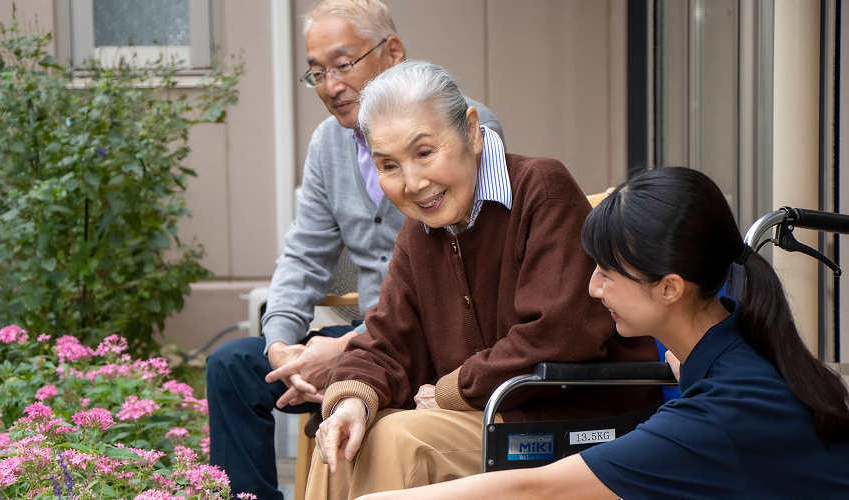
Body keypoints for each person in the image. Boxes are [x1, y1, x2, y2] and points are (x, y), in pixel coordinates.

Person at [356, 167, 849, 500]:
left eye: (607, 273)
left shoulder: (719, 412)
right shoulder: (738, 344)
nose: (591, 288)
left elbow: (537, 488)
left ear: (670, 288)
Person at [305, 60, 662, 500]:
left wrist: (457, 387)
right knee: (344, 440)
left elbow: (562, 332)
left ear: (471, 131)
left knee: (398, 440)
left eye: (423, 152)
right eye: (388, 165)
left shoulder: (541, 190)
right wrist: (350, 401)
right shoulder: (419, 232)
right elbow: (387, 339)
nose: (413, 183)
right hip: (489, 411)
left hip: (567, 414)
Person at [205, 2, 504, 498]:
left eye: (343, 65)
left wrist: (344, 349)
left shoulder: (456, 125)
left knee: (348, 362)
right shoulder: (329, 143)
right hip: (367, 336)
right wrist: (282, 345)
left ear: (391, 53)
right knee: (233, 367)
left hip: (434, 344)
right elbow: (304, 255)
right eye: (317, 73)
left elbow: (462, 278)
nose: (331, 85)